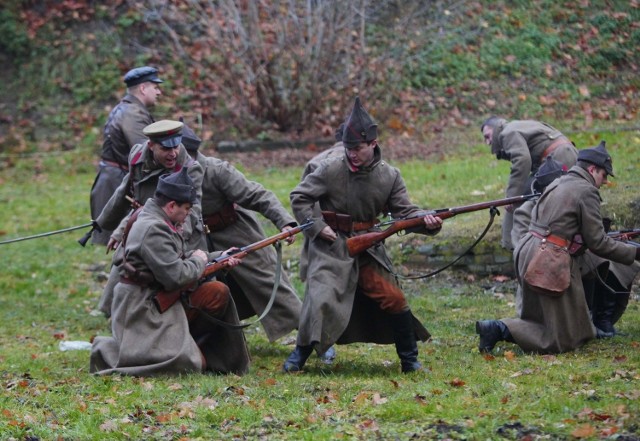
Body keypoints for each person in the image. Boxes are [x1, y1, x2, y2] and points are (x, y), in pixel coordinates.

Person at [283, 97, 443, 374]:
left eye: (357, 148)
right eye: (348, 148)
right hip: (331, 246)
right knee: (320, 298)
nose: (351, 154)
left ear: (373, 144)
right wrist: (318, 228)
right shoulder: (330, 168)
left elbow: (405, 212)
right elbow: (300, 197)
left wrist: (428, 222)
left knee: (394, 299)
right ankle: (299, 356)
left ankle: (410, 360)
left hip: (369, 247)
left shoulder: (390, 176)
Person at [180, 122, 336, 362]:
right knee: (196, 288)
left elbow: (257, 195)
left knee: (271, 286)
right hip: (197, 241)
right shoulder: (167, 172)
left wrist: (284, 221)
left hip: (235, 232)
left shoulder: (216, 170)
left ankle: (318, 340)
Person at [476, 141, 640, 354]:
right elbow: (597, 242)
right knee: (559, 340)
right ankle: (498, 329)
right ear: (592, 170)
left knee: (562, 327)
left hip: (532, 250)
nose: (604, 181)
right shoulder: (586, 190)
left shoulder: (558, 182)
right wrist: (634, 252)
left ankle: (590, 326)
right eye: (603, 175)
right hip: (549, 257)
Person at [90, 168, 250, 376]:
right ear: (172, 205)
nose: (189, 214)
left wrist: (219, 257)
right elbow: (177, 276)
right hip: (143, 308)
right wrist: (199, 261)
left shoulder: (159, 219)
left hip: (157, 298)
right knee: (191, 364)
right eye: (186, 208)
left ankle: (189, 344)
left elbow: (178, 256)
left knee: (217, 293)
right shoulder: (153, 229)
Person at [94, 120, 205, 317]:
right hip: (143, 220)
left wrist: (176, 235)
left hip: (182, 227)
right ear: (151, 145)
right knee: (125, 260)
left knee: (184, 277)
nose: (173, 154)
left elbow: (194, 209)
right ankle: (114, 311)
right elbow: (130, 193)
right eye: (165, 148)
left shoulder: (190, 168)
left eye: (176, 146)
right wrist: (115, 227)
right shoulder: (137, 156)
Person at [480, 116, 578, 250]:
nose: (487, 142)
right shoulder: (516, 126)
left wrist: (511, 197)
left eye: (487, 136)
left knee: (519, 201)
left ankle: (513, 245)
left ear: (496, 128)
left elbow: (522, 161)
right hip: (564, 155)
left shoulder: (507, 133)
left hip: (558, 158)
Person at [90, 66, 163, 245]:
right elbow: (146, 154)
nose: (159, 92)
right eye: (155, 87)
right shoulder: (133, 114)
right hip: (118, 184)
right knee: (131, 244)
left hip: (114, 179)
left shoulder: (127, 109)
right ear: (143, 88)